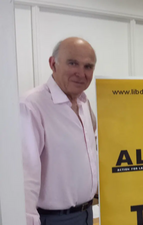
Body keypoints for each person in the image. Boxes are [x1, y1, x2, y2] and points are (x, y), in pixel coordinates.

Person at [20, 37, 98, 225]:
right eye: (73, 63)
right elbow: (25, 176)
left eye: (88, 67)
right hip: (54, 219)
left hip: (88, 213)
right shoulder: (31, 105)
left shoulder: (84, 103)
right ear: (53, 64)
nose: (81, 73)